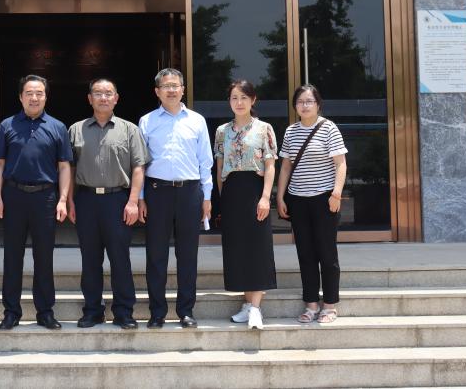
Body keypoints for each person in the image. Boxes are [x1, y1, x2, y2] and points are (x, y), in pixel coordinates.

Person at [0, 74, 73, 331]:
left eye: (39, 93)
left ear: (46, 97)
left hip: (45, 198)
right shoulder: (7, 125)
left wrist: (62, 199)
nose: (34, 98)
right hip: (13, 195)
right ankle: (11, 312)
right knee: (12, 257)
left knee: (44, 257)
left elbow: (64, 166)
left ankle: (45, 311)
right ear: (20, 97)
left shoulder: (57, 127)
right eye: (29, 93)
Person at [67, 78, 149, 330]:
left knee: (119, 258)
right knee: (90, 259)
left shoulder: (129, 130)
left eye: (108, 93)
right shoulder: (76, 130)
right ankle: (92, 311)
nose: (103, 98)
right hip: (86, 199)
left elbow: (138, 167)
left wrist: (133, 201)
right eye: (98, 93)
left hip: (118, 200)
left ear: (116, 98)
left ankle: (124, 312)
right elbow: (69, 168)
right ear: (89, 98)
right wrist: (69, 200)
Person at [137, 68, 213, 329]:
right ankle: (157, 312)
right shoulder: (147, 121)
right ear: (157, 91)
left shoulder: (197, 121)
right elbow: (140, 163)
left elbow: (205, 161)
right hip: (157, 191)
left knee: (188, 254)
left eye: (175, 85)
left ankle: (186, 311)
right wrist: (140, 197)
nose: (171, 90)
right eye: (166, 86)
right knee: (156, 254)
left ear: (183, 89)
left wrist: (207, 197)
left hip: (190, 192)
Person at [276, 84, 348, 324]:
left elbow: (340, 163)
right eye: (300, 102)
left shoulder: (329, 128)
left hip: (324, 200)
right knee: (305, 254)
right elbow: (286, 167)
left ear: (318, 104)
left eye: (309, 101)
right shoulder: (291, 132)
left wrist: (336, 194)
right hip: (298, 200)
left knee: (327, 254)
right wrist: (280, 196)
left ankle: (330, 305)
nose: (304, 106)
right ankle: (311, 304)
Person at [214, 79, 278, 330]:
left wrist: (266, 197)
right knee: (237, 248)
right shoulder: (222, 131)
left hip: (255, 189)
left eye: (244, 97)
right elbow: (220, 167)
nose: (239, 102)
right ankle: (247, 304)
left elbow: (270, 165)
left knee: (257, 247)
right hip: (231, 191)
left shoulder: (264, 128)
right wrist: (222, 198)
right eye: (234, 97)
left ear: (253, 100)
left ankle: (256, 308)